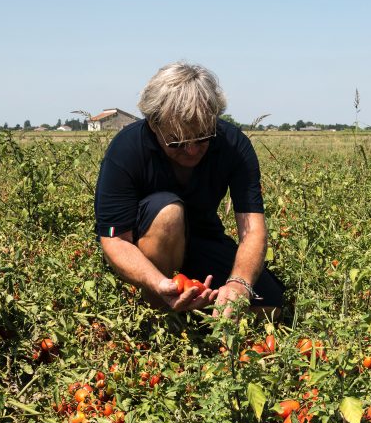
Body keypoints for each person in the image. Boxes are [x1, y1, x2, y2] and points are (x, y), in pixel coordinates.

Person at [94, 62, 285, 318]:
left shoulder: (233, 145)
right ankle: (159, 309)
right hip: (146, 248)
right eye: (177, 142)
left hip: (202, 239)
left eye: (203, 137)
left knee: (271, 306)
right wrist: (159, 283)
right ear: (153, 125)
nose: (192, 150)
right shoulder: (126, 150)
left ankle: (194, 311)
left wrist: (240, 283)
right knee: (168, 213)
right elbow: (116, 240)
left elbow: (252, 229)